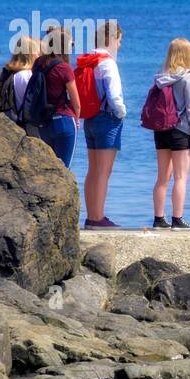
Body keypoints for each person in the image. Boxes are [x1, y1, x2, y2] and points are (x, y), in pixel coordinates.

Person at [78, 20, 127, 230]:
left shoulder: (88, 60)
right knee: (104, 171)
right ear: (110, 39)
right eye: (119, 40)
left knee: (93, 170)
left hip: (89, 117)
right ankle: (98, 218)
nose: (120, 45)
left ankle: (91, 215)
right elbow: (114, 96)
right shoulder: (108, 62)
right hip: (107, 118)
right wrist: (122, 113)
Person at [149, 38, 190, 230]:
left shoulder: (160, 78)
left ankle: (158, 219)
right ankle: (178, 219)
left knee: (162, 177)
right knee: (181, 177)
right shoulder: (188, 78)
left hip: (161, 129)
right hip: (181, 130)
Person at [32, 31, 81, 169]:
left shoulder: (38, 63)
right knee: (64, 171)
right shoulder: (64, 68)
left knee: (49, 169)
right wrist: (77, 119)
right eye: (71, 44)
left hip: (44, 123)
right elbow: (76, 102)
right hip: (64, 120)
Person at [0, 36, 38, 130]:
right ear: (30, 53)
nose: (38, 55)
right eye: (36, 51)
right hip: (28, 124)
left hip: (14, 120)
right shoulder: (29, 76)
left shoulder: (10, 74)